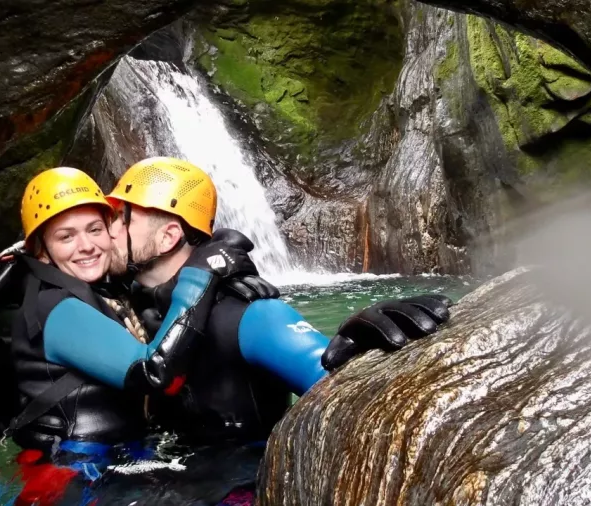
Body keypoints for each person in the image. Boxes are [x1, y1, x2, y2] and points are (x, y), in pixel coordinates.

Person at [104, 156, 453, 444]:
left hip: (241, 488)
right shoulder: (130, 303)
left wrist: (362, 353)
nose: (109, 229)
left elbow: (331, 376)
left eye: (122, 218)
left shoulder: (251, 314)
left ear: (168, 237)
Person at [0, 165, 262, 505]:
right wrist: (204, 272)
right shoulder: (56, 307)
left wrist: (228, 273)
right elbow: (154, 372)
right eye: (66, 236)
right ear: (42, 251)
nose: (86, 246)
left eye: (95, 229)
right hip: (71, 475)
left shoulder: (103, 290)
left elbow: (159, 280)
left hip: (113, 461)